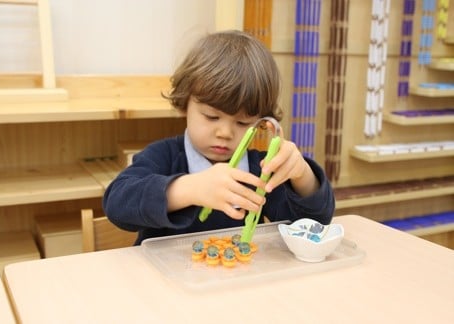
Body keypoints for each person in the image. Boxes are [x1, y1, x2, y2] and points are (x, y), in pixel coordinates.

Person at [103, 30, 335, 245]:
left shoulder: (260, 171)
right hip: (166, 285)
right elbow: (117, 204)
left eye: (243, 123)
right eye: (211, 117)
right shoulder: (162, 156)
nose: (225, 133)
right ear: (184, 105)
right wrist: (191, 189)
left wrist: (303, 176)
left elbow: (314, 226)